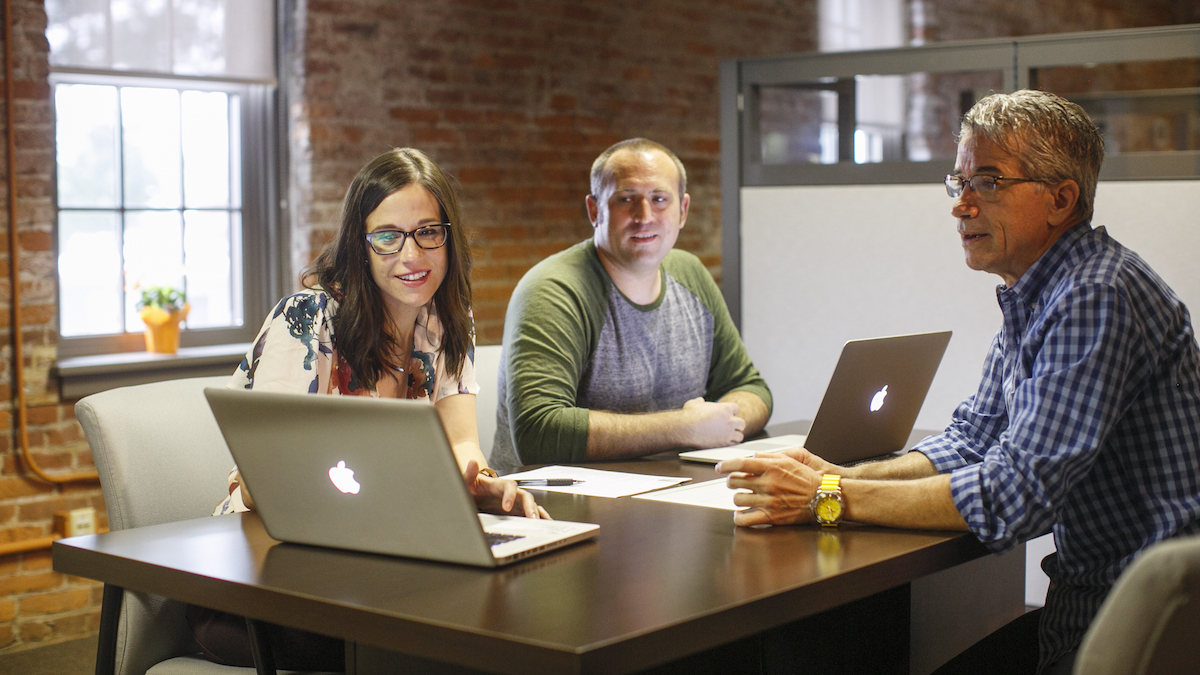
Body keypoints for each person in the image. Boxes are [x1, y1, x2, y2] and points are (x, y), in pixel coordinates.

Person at [717, 90, 1200, 675]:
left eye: (988, 182)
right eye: (959, 182)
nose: (961, 205)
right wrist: (836, 475)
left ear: (1061, 199)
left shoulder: (1095, 295)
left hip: (1139, 630)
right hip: (1093, 607)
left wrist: (827, 500)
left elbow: (1015, 495)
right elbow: (973, 439)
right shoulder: (1041, 291)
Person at [197, 148, 547, 669]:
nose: (411, 255)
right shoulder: (308, 319)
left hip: (377, 565)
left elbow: (461, 444)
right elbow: (260, 481)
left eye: (428, 232)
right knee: (435, 649)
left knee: (507, 620)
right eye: (387, 236)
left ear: (449, 237)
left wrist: (481, 482)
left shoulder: (446, 319)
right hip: (259, 584)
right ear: (359, 246)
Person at [491, 138, 772, 470]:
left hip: (673, 495)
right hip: (556, 507)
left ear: (682, 210)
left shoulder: (691, 274)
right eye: (626, 199)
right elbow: (538, 433)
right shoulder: (553, 291)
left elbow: (749, 387)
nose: (645, 216)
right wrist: (685, 427)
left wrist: (724, 420)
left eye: (659, 199)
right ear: (595, 211)